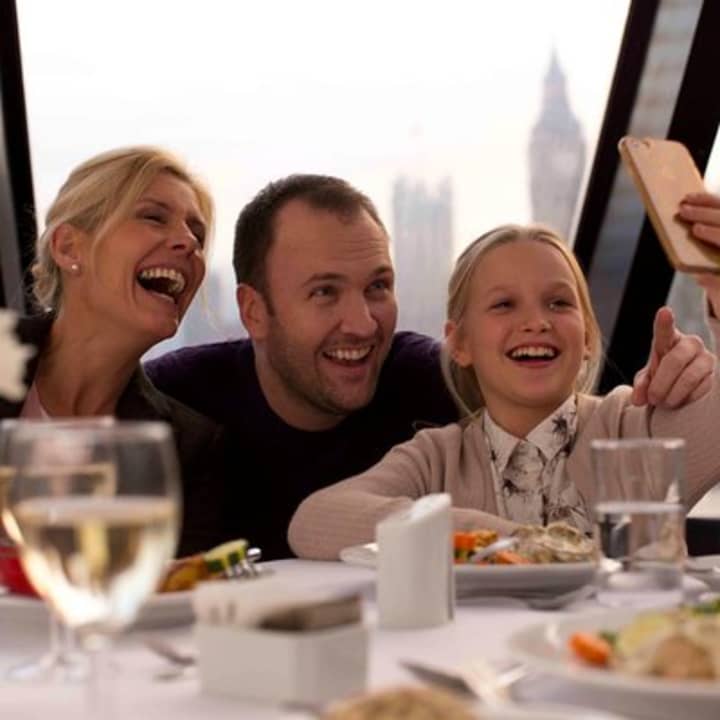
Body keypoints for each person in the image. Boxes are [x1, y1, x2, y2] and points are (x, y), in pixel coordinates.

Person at [147, 176, 717, 560]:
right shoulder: (439, 455)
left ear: (589, 336)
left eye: (559, 303)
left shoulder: (634, 428)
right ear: (460, 345)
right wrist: (532, 543)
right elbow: (316, 520)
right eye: (503, 305)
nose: (536, 323)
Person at [145, 174, 459, 559]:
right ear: (253, 312)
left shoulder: (436, 383)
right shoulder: (171, 406)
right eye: (324, 292)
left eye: (377, 286)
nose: (363, 324)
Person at [0, 146, 225, 556]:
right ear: (69, 248)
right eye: (154, 217)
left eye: (197, 232)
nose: (188, 242)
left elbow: (174, 602)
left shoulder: (187, 448)